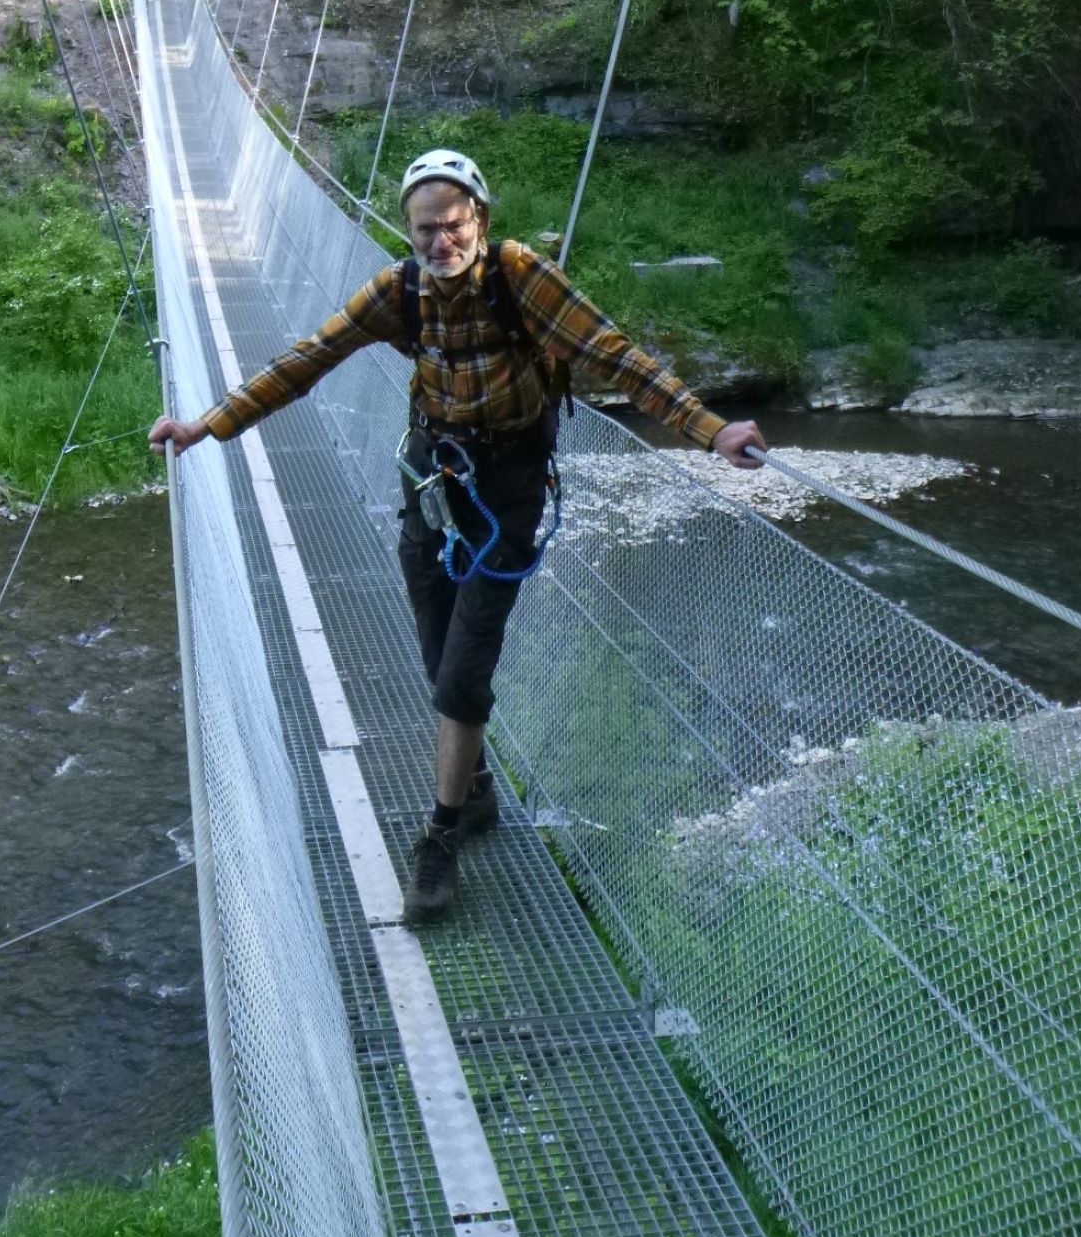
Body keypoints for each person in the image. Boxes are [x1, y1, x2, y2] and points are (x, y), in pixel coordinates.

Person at [149, 147, 765, 922]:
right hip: (433, 479)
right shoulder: (398, 292)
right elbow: (310, 358)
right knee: (438, 650)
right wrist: (207, 426)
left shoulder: (520, 276)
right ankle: (473, 791)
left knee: (462, 672)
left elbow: (614, 356)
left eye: (452, 225)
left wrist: (709, 431)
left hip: (508, 490)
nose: (439, 242)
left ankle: (440, 835)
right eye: (423, 231)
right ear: (407, 234)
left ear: (479, 218)